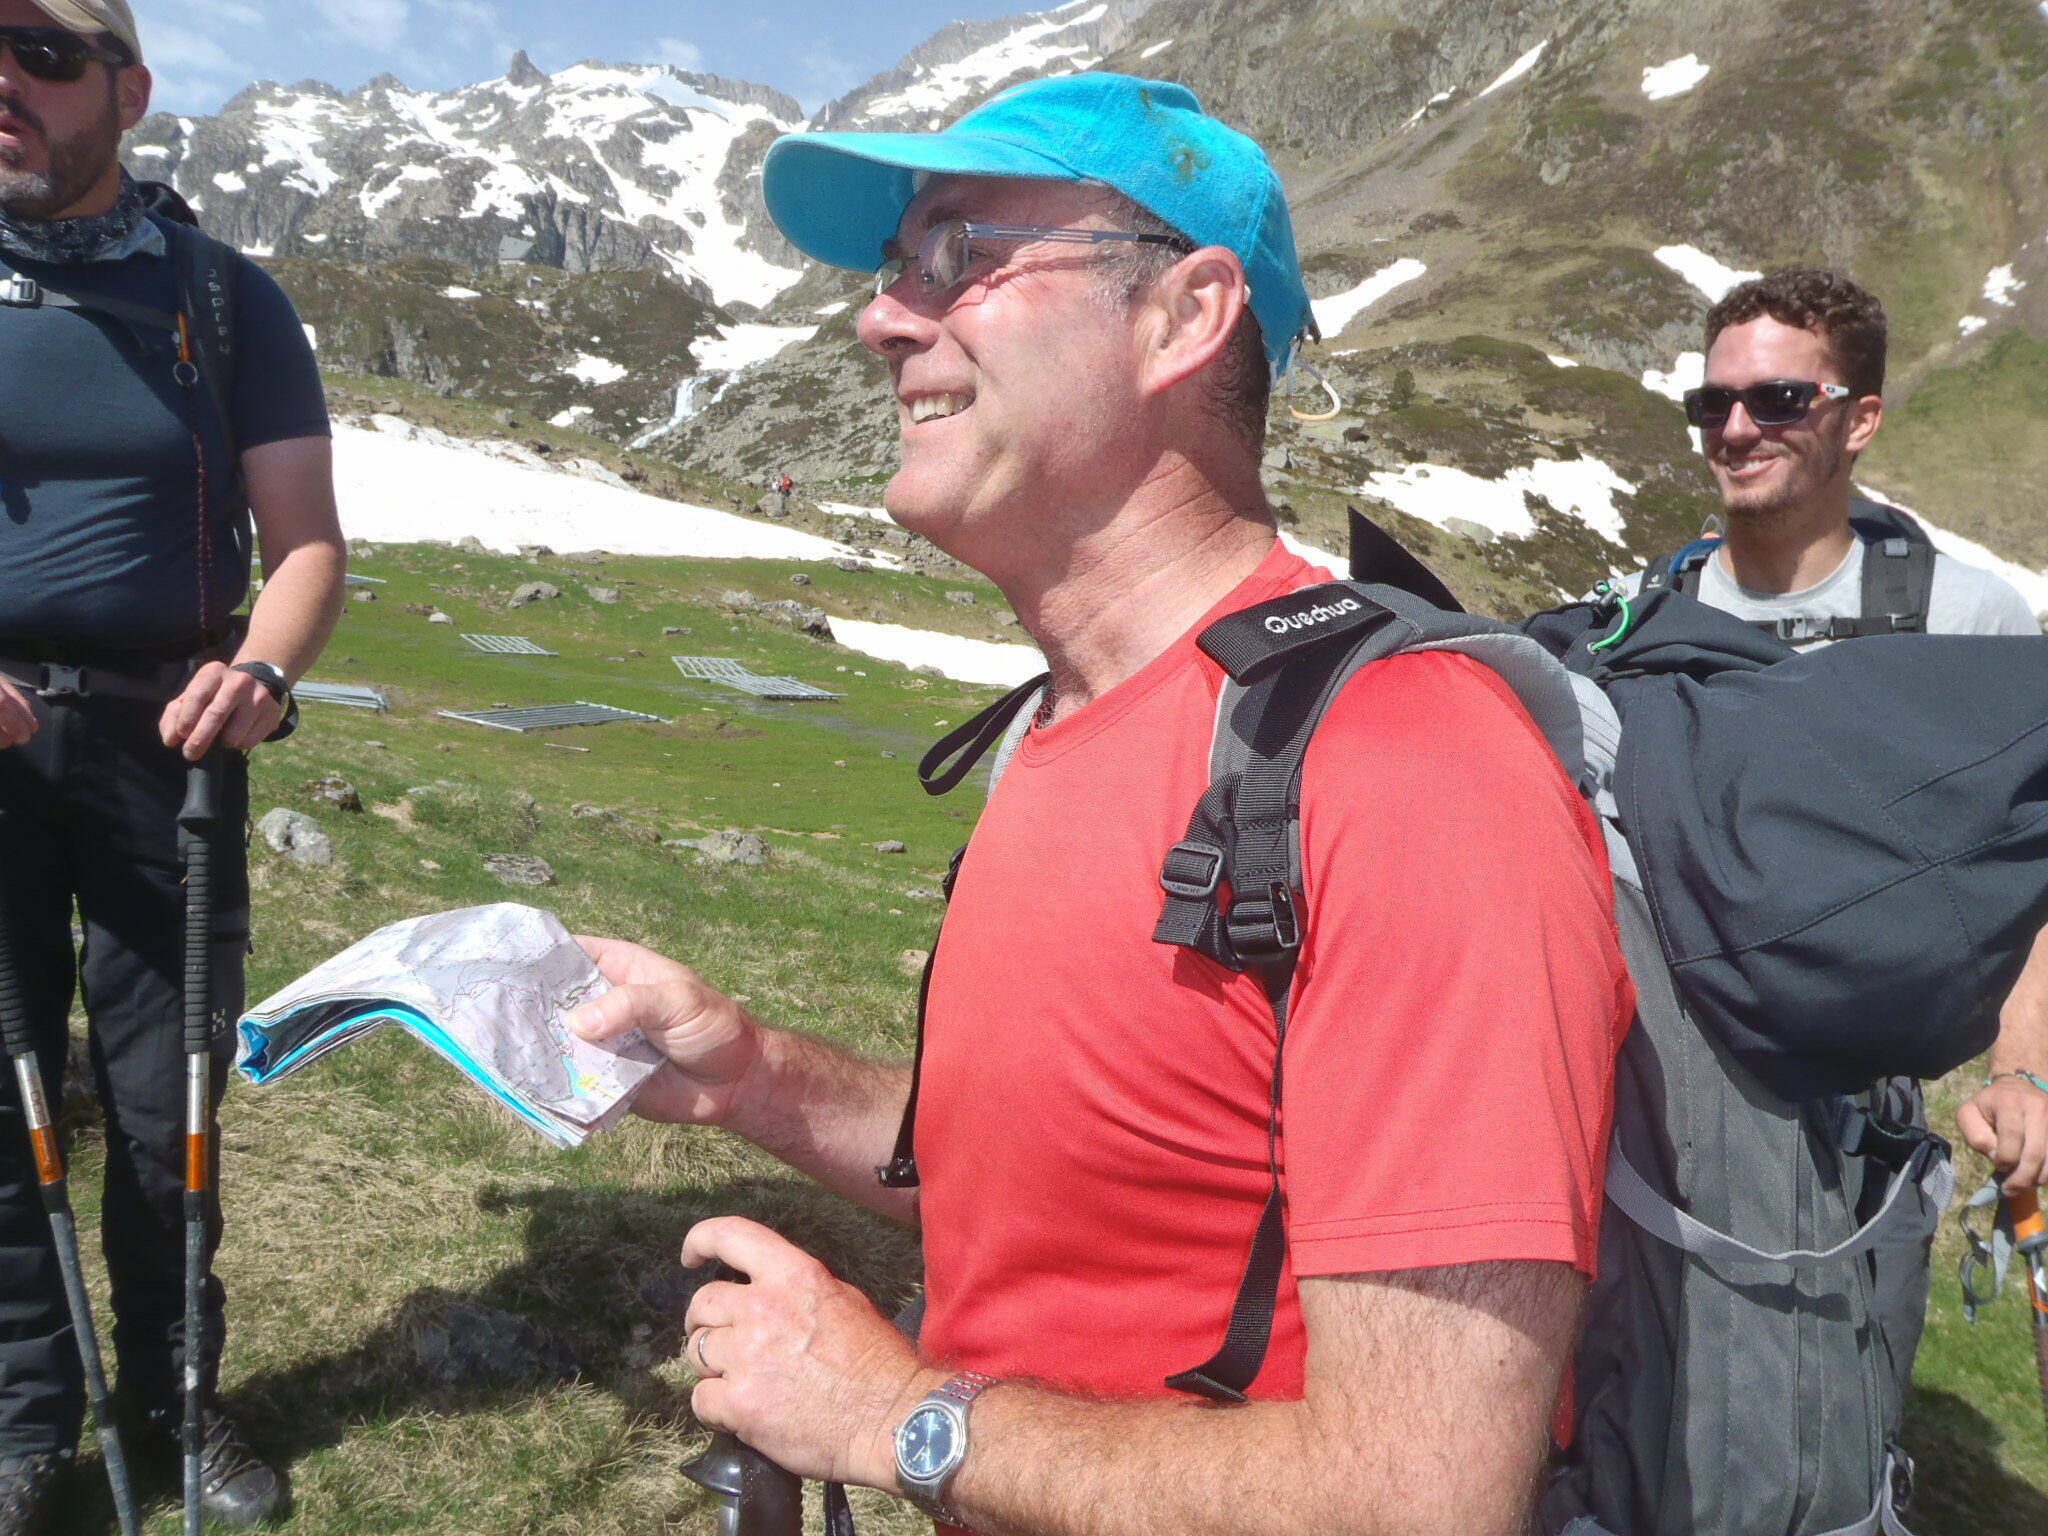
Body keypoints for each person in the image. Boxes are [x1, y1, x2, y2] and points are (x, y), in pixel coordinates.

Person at [570, 73, 1632, 1535]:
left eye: (957, 253)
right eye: (893, 267)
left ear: (1181, 319)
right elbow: (1071, 1192)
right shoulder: (1065, 723)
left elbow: (1421, 1495)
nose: (883, 319)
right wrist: (751, 1077)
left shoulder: (1409, 766)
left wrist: (892, 1418)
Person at [0, 0, 342, 1526]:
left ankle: (174, 1401)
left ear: (127, 90)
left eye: (40, 51)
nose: (4, 80)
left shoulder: (220, 294)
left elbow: (306, 542)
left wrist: (261, 670)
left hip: (170, 746)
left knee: (167, 1101)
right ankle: (22, 1425)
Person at [1652, 266, 2048, 1401]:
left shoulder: (1965, 619)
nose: (1735, 429)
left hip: (1863, 1131)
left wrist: (2020, 1070)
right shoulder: (1655, 608)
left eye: (1777, 400)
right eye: (1712, 403)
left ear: (1858, 418)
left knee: (1835, 1419)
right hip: (1675, 1107)